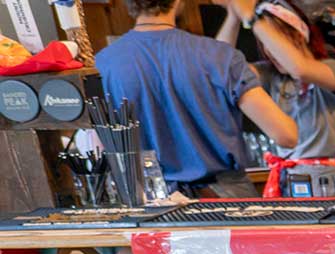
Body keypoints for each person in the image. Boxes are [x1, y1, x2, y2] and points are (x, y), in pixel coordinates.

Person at [93, 0, 297, 196]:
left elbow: (101, 146)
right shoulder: (218, 55)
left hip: (152, 200)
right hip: (226, 200)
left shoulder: (102, 64)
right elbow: (286, 135)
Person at [217, 0, 335, 162]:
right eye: (263, 43)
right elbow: (221, 70)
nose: (269, 51)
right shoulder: (272, 76)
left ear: (298, 36)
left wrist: (251, 17)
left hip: (329, 174)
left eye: (272, 41)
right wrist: (233, 16)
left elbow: (299, 69)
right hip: (288, 175)